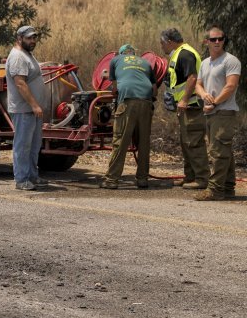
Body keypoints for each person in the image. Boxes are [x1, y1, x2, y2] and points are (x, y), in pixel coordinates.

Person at [99, 44, 157, 189]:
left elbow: (114, 89)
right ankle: (143, 179)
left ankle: (112, 180)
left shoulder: (116, 60)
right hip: (146, 102)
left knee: (120, 142)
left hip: (127, 102)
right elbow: (154, 90)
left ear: (121, 53)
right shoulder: (145, 62)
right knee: (143, 143)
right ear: (133, 54)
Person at [194, 26, 241, 201]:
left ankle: (215, 190)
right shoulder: (205, 62)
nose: (217, 42)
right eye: (213, 39)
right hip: (211, 112)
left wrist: (214, 103)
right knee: (223, 149)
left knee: (218, 151)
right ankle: (228, 187)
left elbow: (231, 86)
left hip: (224, 112)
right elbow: (198, 84)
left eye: (220, 39)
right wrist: (203, 94)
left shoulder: (231, 61)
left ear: (223, 40)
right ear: (206, 41)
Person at [159, 28, 208, 189]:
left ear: (170, 42)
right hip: (185, 108)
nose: (162, 47)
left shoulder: (185, 54)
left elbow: (192, 77)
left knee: (194, 143)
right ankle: (190, 176)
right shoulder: (178, 53)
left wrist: (185, 99)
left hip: (192, 106)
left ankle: (201, 179)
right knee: (186, 143)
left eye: (162, 43)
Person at [5, 25, 48, 191]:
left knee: (34, 145)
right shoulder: (17, 57)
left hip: (32, 110)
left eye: (34, 37)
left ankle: (32, 176)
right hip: (24, 109)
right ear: (19, 39)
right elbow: (20, 84)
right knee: (23, 145)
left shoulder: (27, 54)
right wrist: (34, 105)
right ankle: (21, 179)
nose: (33, 41)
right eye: (29, 38)